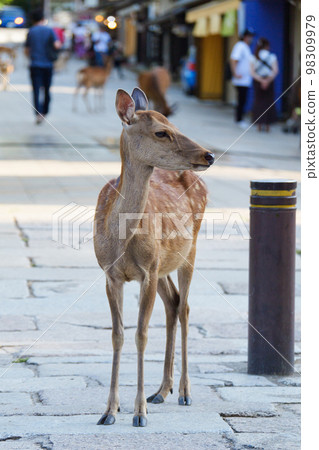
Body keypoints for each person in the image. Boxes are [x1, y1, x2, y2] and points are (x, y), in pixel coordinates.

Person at [25, 10, 61, 124]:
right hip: (48, 65)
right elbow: (57, 45)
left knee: (36, 90)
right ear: (42, 19)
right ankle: (45, 112)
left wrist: (32, 56)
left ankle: (38, 114)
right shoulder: (49, 30)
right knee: (47, 89)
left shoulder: (31, 31)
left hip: (35, 64)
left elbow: (26, 50)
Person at [251, 38, 279, 132]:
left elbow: (252, 72)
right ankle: (267, 125)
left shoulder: (254, 57)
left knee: (258, 102)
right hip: (269, 81)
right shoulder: (272, 56)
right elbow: (275, 71)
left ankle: (259, 124)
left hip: (258, 81)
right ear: (267, 46)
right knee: (269, 102)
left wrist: (261, 80)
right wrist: (267, 80)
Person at [230, 28, 255, 129]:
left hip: (245, 80)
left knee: (243, 99)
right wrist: (235, 73)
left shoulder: (246, 47)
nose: (251, 39)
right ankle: (239, 119)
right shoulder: (240, 46)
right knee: (241, 99)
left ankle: (240, 118)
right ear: (245, 37)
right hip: (241, 80)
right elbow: (233, 59)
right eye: (250, 36)